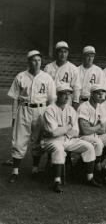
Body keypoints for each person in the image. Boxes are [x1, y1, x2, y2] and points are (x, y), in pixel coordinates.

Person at [41, 84, 101, 193]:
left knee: (89, 146)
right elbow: (53, 133)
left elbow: (76, 131)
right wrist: (68, 127)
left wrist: (63, 130)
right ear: (57, 95)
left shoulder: (71, 110)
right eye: (64, 94)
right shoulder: (50, 109)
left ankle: (89, 178)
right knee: (59, 149)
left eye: (68, 94)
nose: (67, 97)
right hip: (51, 141)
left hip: (68, 139)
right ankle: (57, 181)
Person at [7, 50, 56, 183]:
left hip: (41, 111)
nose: (37, 62)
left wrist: (51, 116)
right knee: (18, 140)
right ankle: (15, 171)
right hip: (23, 109)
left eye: (39, 60)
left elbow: (51, 100)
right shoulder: (20, 76)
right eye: (34, 60)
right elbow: (15, 98)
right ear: (29, 61)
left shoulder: (47, 77)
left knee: (38, 141)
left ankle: (35, 168)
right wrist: (13, 115)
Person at [77, 84, 106, 175]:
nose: (100, 95)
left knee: (100, 142)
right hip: (81, 136)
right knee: (98, 143)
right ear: (92, 94)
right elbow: (84, 131)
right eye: (97, 93)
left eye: (102, 93)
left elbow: (104, 130)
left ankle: (94, 169)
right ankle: (94, 170)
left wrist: (91, 127)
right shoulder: (83, 107)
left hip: (95, 135)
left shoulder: (101, 107)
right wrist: (98, 126)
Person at [44, 41, 81, 110]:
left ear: (68, 53)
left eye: (65, 52)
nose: (63, 54)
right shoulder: (48, 67)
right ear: (56, 53)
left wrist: (75, 103)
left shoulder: (73, 68)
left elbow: (76, 88)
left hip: (66, 101)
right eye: (60, 51)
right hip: (51, 100)